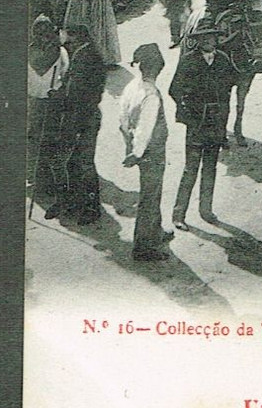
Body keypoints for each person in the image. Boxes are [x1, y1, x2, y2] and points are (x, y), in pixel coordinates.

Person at [169, 16, 235, 228]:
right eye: (204, 38)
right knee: (191, 168)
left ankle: (206, 210)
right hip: (196, 123)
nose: (209, 42)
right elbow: (174, 90)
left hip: (216, 123)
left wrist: (223, 126)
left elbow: (227, 93)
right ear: (198, 40)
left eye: (212, 38)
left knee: (210, 168)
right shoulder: (188, 61)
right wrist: (188, 112)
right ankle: (179, 215)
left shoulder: (223, 60)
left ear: (217, 39)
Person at [119, 43, 173, 262]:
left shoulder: (132, 86)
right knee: (150, 197)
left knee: (154, 192)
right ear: (157, 68)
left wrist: (128, 143)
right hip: (151, 151)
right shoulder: (151, 95)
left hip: (138, 147)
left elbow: (122, 118)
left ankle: (156, 231)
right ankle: (143, 247)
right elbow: (146, 127)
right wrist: (137, 152)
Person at [58, 23, 107, 225]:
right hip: (78, 115)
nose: (65, 39)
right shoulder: (80, 53)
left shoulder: (89, 58)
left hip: (84, 116)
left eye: (68, 36)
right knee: (73, 161)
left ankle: (91, 208)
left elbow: (84, 92)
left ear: (77, 37)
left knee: (85, 163)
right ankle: (75, 202)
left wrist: (74, 115)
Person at [27, 15, 69, 219]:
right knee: (34, 142)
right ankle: (38, 181)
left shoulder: (60, 53)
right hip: (33, 104)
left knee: (48, 143)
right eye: (39, 33)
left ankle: (47, 184)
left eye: (47, 33)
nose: (43, 38)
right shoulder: (28, 52)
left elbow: (65, 77)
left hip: (50, 104)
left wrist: (58, 93)